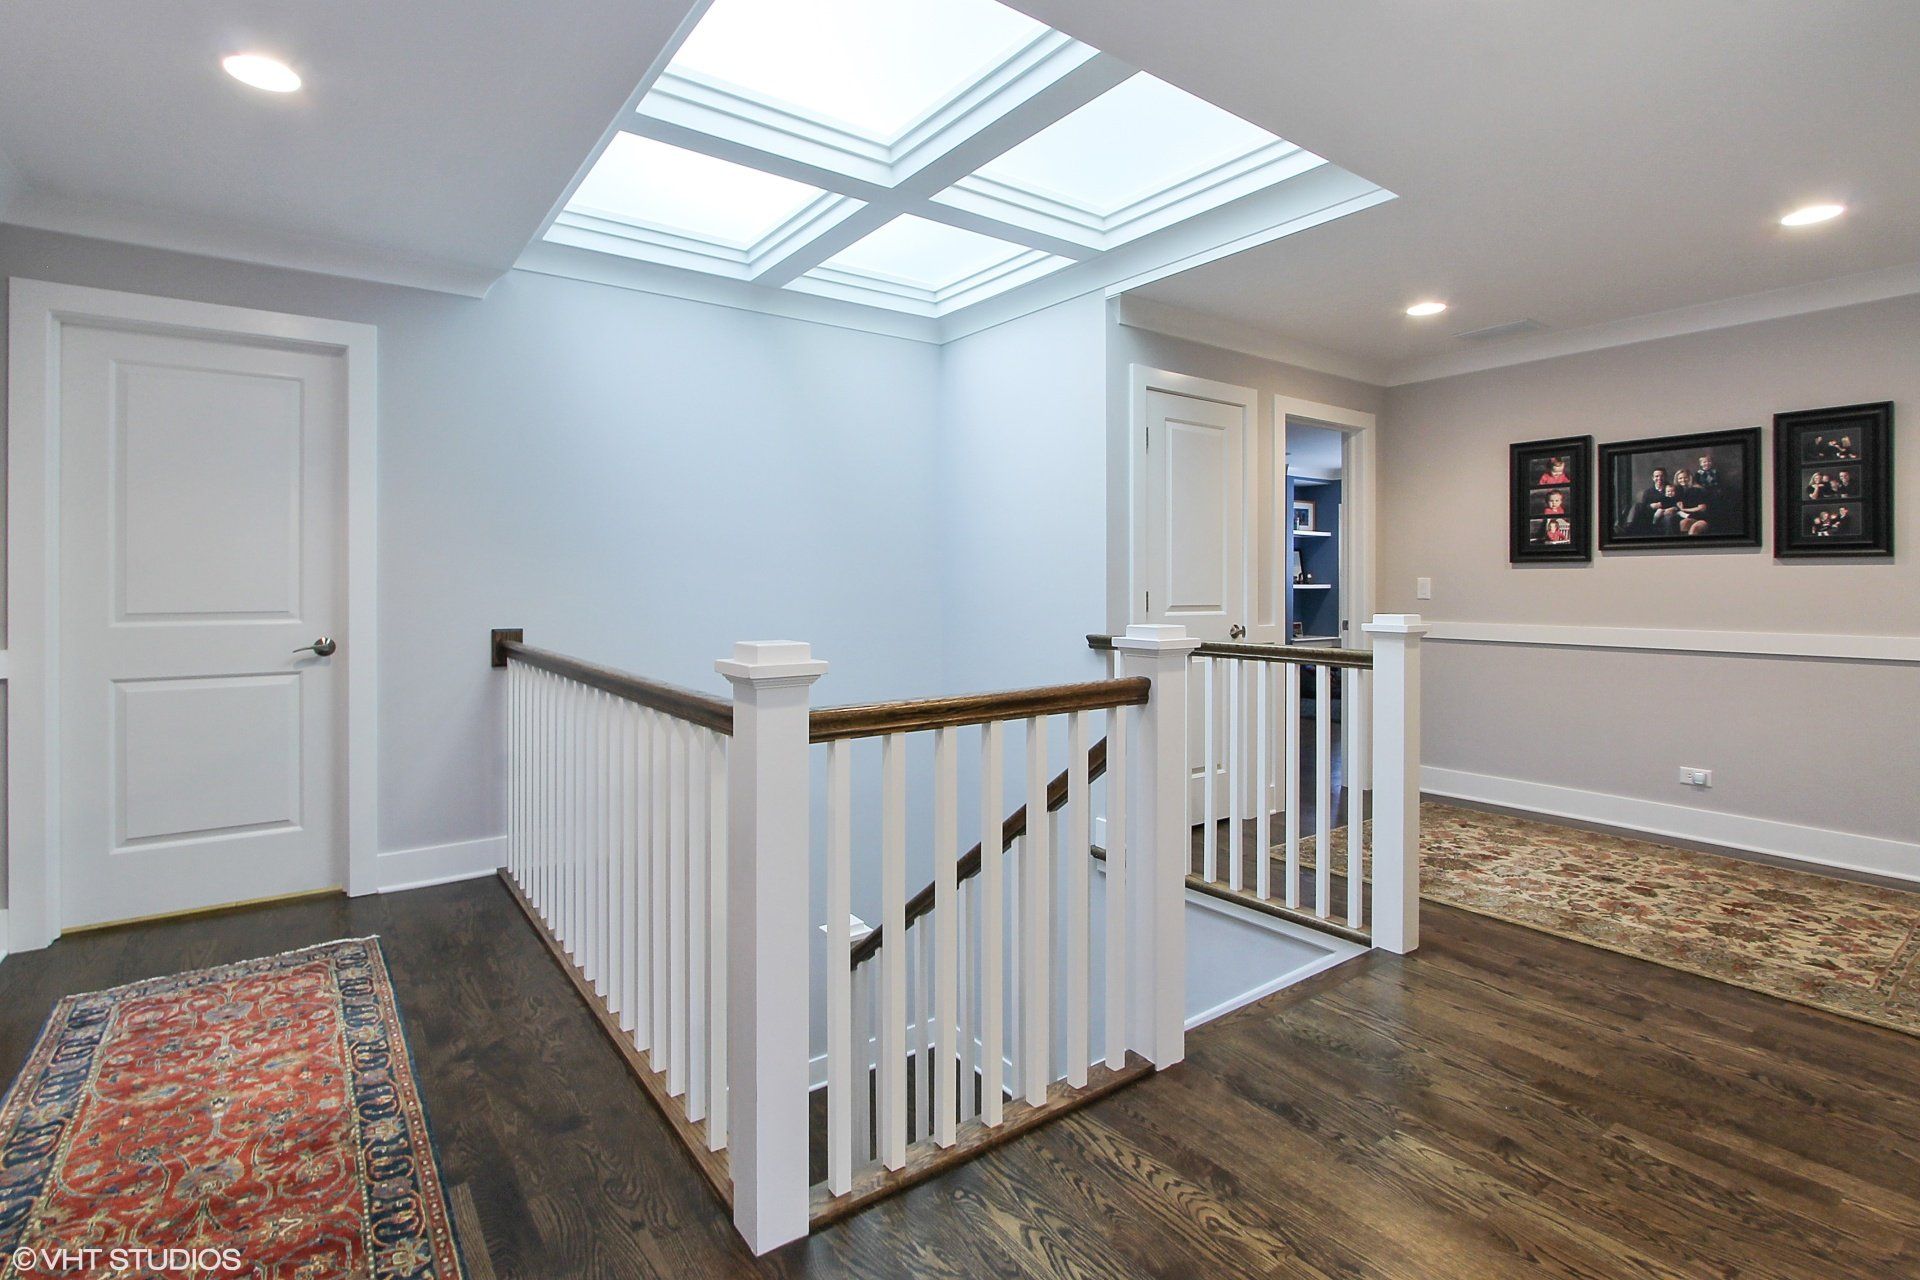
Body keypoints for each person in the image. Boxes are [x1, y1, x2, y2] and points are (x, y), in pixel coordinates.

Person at [1671, 467, 1711, 535]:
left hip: (1703, 517)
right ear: (1677, 480)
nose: (1683, 480)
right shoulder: (1679, 491)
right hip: (1689, 517)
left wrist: (1684, 509)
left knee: (1694, 529)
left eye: (1685, 477)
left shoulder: (1697, 489)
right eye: (1680, 478)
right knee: (1684, 523)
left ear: (1690, 478)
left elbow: (1702, 508)